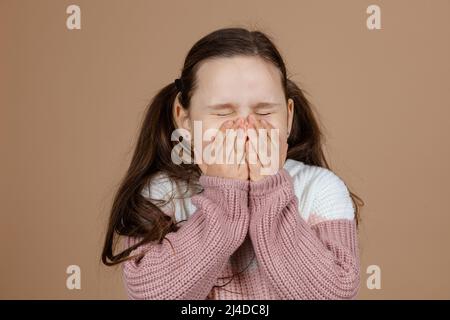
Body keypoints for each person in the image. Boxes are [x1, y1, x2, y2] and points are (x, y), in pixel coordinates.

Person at [101, 27, 364, 300]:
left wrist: (269, 191)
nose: (245, 128)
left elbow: (335, 295)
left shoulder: (320, 190)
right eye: (223, 112)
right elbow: (150, 296)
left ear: (287, 116)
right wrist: (225, 195)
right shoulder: (162, 195)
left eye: (264, 111)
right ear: (184, 119)